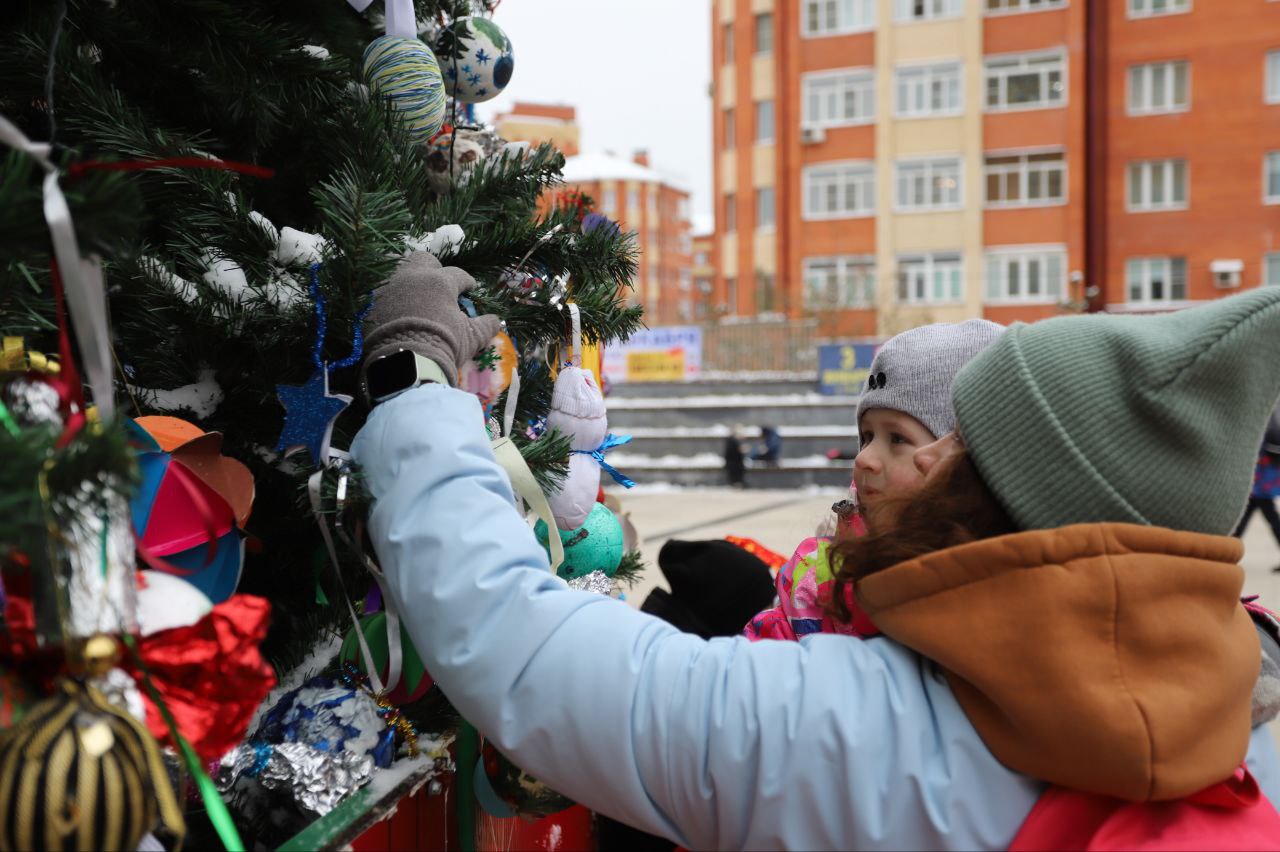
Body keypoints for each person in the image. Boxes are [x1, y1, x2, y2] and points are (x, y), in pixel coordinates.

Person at [353, 254, 1280, 849]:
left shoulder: (868, 735)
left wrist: (415, 382)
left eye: (968, 445)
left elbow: (519, 646)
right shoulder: (1240, 736)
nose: (905, 461)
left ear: (1020, 503)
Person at [744, 320, 1003, 642]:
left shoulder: (985, 591)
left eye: (896, 438)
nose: (864, 458)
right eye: (867, 436)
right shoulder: (816, 574)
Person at [1236, 402, 1280, 569]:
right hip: (1264, 475)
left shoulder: (1263, 410)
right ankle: (1225, 554)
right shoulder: (1271, 407)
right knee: (1263, 515)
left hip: (1260, 475)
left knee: (1251, 514)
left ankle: (1225, 555)